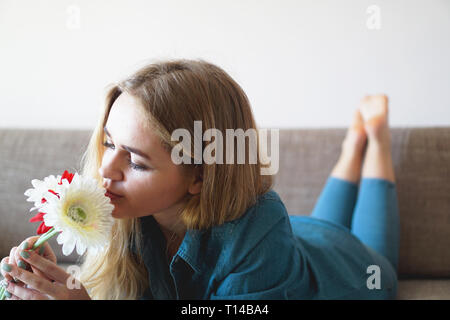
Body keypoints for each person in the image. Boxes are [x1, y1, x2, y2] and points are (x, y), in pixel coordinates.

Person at [0, 59, 399, 299]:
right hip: (301, 234)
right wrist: (58, 280)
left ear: (200, 176)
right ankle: (351, 148)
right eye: (108, 144)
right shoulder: (129, 215)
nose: (105, 170)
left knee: (380, 259)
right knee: (325, 216)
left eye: (136, 162)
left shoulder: (258, 233)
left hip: (345, 266)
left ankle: (375, 139)